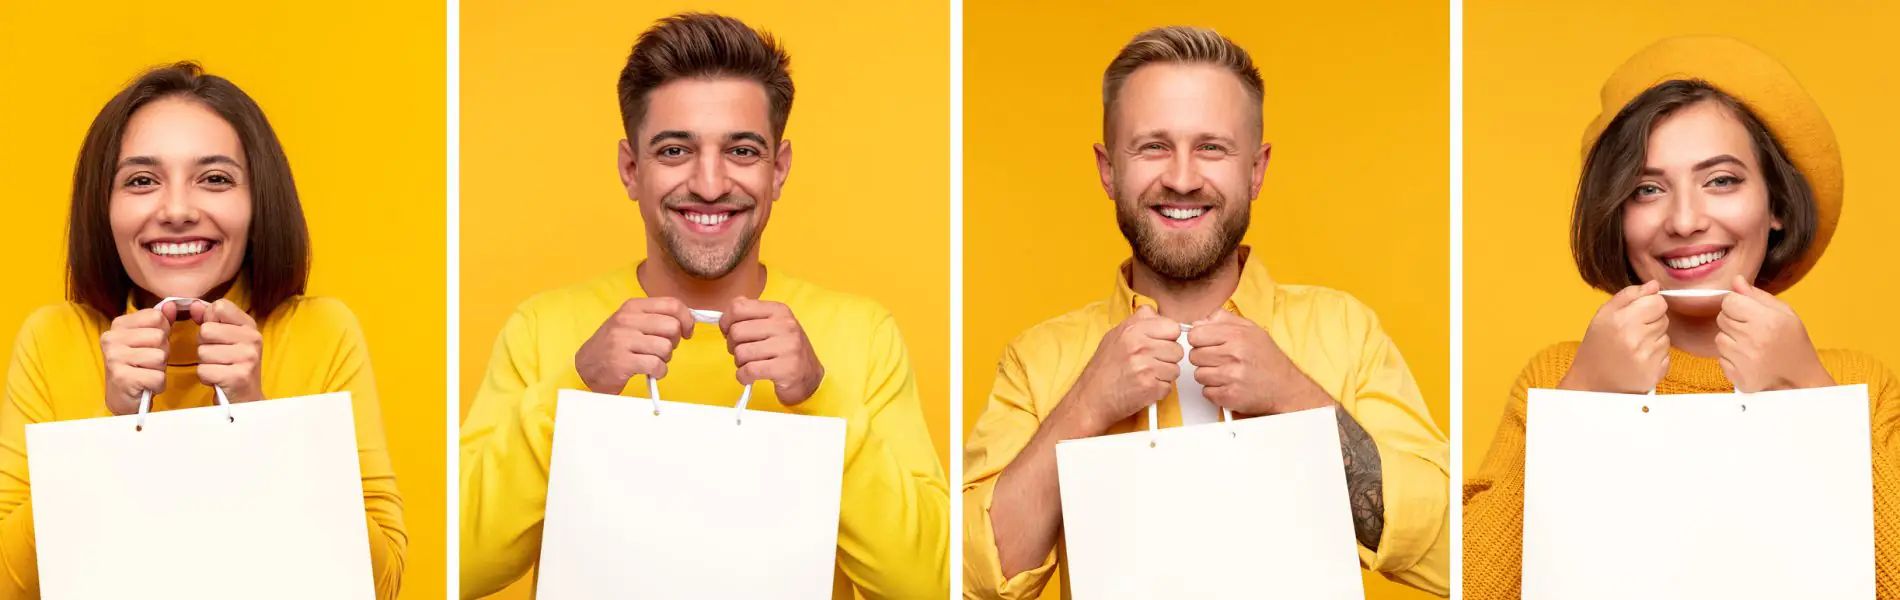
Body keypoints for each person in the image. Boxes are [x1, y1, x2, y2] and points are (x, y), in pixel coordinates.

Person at [458, 13, 949, 598]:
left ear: (779, 169)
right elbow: (462, 568)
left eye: (742, 150)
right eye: (674, 151)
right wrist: (574, 387)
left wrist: (822, 395)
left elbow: (926, 584)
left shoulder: (864, 336)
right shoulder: (541, 330)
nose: (711, 184)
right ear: (630, 169)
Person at [962, 25, 1450, 599]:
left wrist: (1294, 397)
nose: (1183, 178)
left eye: (1212, 147)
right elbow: (972, 581)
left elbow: (1449, 558)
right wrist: (1085, 407)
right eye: (1153, 146)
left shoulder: (1345, 331)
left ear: (1257, 170)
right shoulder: (1039, 359)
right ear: (1107, 170)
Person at [1462, 36, 1900, 598]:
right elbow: (1473, 585)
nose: (1686, 220)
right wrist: (1584, 398)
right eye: (1647, 189)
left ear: (1778, 208)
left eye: (1722, 180)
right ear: (1617, 216)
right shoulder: (1556, 377)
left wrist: (1807, 393)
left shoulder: (1862, 385)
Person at [0, 62, 407, 598]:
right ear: (104, 208)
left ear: (258, 200)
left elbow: (383, 581)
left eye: (214, 179)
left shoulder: (322, 331)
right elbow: (13, 582)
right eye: (142, 181)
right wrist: (110, 431)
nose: (176, 210)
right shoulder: (52, 338)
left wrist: (263, 421)